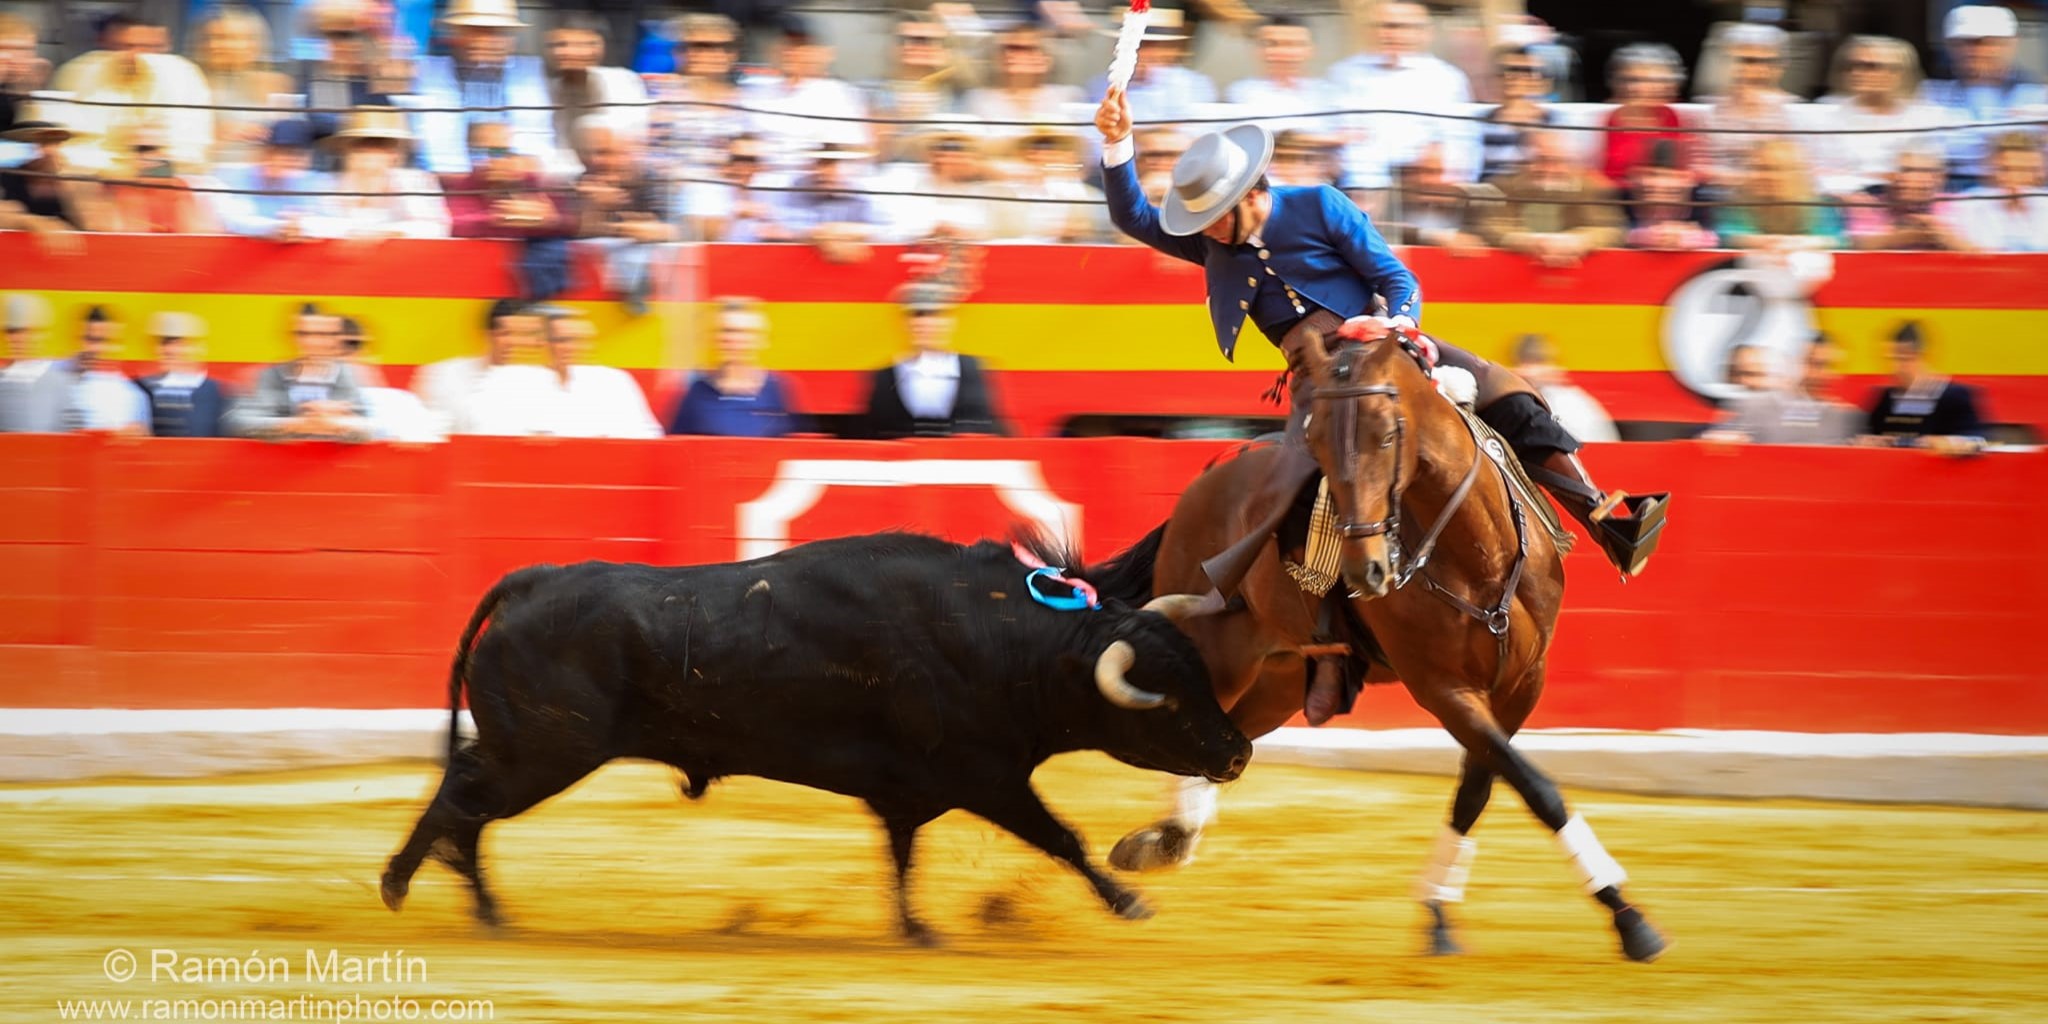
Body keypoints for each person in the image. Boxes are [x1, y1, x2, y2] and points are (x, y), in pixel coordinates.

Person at [1091, 84, 1665, 660]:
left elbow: (1398, 281)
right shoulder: (1213, 245)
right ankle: (1324, 639)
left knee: (1509, 397)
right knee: (1282, 496)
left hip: (1388, 350)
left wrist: (1390, 326)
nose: (1207, 230)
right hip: (1317, 384)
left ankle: (1606, 519)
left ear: (1249, 196)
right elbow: (1132, 214)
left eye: (1214, 218)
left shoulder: (1320, 205)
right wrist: (1118, 143)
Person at [859, 280, 1006, 439]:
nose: (925, 322)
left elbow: (987, 425)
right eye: (916, 315)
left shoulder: (973, 369)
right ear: (905, 323)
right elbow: (875, 432)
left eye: (935, 315)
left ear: (949, 323)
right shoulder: (884, 377)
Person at [668, 298, 798, 437]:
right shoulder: (696, 393)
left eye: (744, 332)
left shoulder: (779, 390)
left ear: (761, 339)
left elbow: (795, 449)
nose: (733, 339)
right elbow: (675, 448)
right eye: (726, 331)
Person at [1703, 333, 1860, 446]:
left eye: (1830, 366)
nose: (1823, 374)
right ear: (1794, 364)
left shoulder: (1846, 418)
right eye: (1814, 364)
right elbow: (1710, 444)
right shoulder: (1754, 406)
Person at [1862, 321, 1985, 449]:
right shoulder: (1883, 399)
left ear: (1924, 357)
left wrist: (1948, 443)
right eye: (1890, 359)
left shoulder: (1954, 396)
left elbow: (1980, 441)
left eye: (1904, 359)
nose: (1895, 367)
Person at [137, 311, 227, 437]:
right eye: (163, 343)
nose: (169, 350)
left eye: (178, 343)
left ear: (199, 348)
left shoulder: (219, 392)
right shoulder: (141, 388)